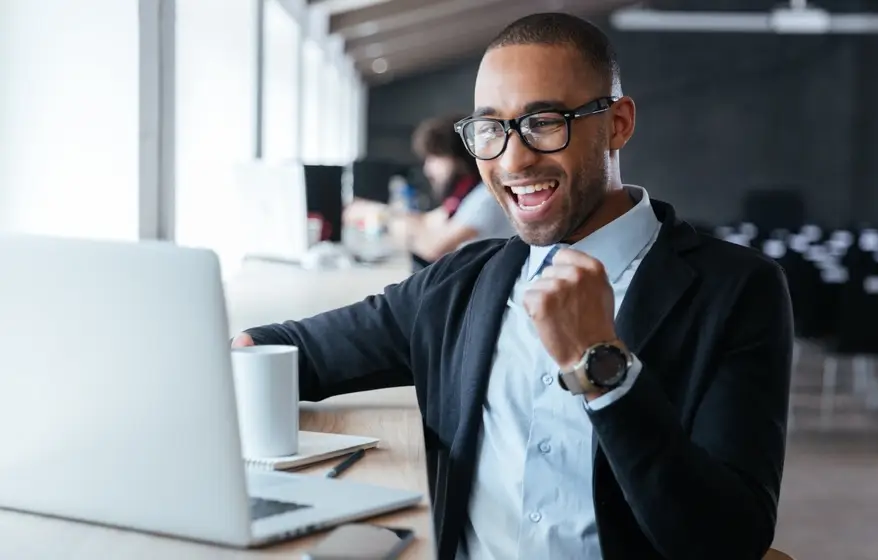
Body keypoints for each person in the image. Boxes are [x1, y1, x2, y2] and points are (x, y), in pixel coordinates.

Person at [234, 12, 792, 560]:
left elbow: (727, 540)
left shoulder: (736, 292)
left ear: (618, 123)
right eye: (490, 129)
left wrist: (603, 366)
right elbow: (287, 351)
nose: (514, 159)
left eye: (545, 122)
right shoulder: (460, 285)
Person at [396, 113, 515, 268]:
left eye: (435, 158)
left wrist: (395, 226)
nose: (428, 169)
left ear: (459, 160)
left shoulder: (485, 197)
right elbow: (427, 220)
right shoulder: (464, 194)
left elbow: (433, 248)